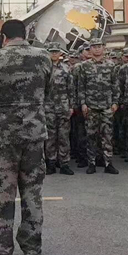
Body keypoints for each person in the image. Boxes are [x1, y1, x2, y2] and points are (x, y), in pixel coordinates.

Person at [0, 19, 52, 255]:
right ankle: (32, 247)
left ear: (4, 37)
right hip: (34, 135)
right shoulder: (43, 57)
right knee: (33, 193)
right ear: (25, 34)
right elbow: (47, 91)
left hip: (6, 136)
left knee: (4, 193)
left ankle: (3, 249)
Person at [77, 38, 119, 175]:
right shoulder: (84, 66)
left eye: (99, 46)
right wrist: (83, 103)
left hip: (107, 105)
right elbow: (81, 86)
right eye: (94, 46)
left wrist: (115, 102)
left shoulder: (111, 65)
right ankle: (92, 163)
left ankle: (108, 163)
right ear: (90, 49)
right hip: (91, 105)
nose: (96, 49)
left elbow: (115, 85)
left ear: (103, 48)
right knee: (91, 136)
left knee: (107, 136)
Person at [44, 44, 74, 176]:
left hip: (63, 106)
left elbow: (71, 89)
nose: (54, 54)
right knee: (50, 137)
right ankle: (50, 162)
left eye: (56, 52)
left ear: (60, 53)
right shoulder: (44, 69)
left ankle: (64, 163)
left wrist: (71, 106)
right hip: (48, 107)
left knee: (64, 137)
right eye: (52, 52)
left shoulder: (66, 68)